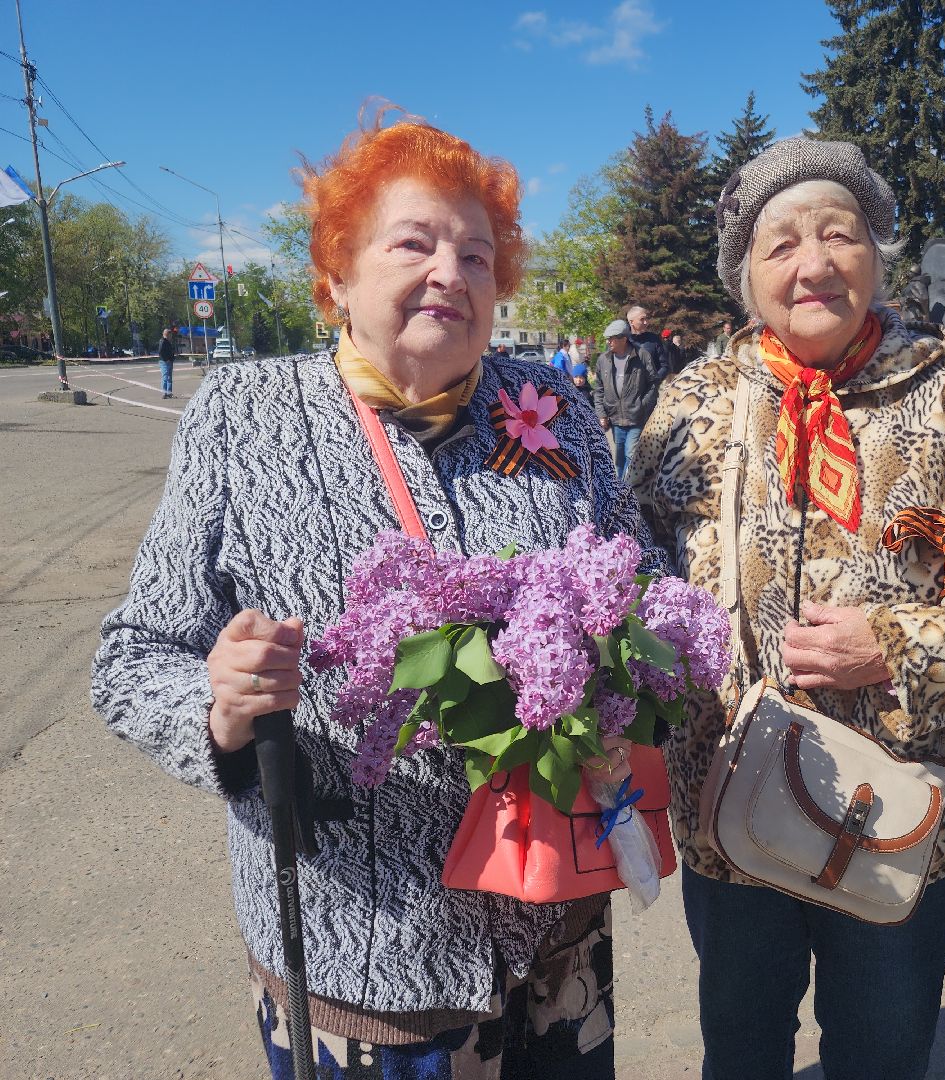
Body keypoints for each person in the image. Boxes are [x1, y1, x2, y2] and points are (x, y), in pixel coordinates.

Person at [92, 111, 663, 1080]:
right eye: (414, 244)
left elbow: (637, 576)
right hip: (366, 954)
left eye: (477, 256)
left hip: (557, 930)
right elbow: (132, 655)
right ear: (338, 274)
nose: (452, 273)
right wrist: (219, 707)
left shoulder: (554, 409)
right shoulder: (241, 417)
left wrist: (615, 662)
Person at [627, 136, 945, 1080]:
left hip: (898, 814)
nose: (814, 263)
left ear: (877, 253)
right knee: (741, 1053)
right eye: (782, 243)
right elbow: (633, 585)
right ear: (744, 275)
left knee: (880, 1055)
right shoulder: (689, 406)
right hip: (728, 812)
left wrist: (895, 647)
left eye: (839, 234)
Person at [591, 317, 664, 481]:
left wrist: (642, 405)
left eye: (612, 339)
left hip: (636, 416)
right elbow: (599, 389)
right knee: (619, 456)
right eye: (608, 339)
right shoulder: (603, 360)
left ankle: (626, 486)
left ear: (623, 339)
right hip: (615, 417)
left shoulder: (642, 355)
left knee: (631, 452)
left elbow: (653, 383)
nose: (608, 342)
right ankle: (621, 485)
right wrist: (601, 414)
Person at [626, 304, 666, 376]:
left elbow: (664, 366)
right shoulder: (622, 341)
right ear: (631, 322)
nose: (646, 322)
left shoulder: (654, 339)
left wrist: (655, 380)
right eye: (642, 319)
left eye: (646, 319)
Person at [158, 327, 177, 399]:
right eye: (170, 335)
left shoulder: (168, 342)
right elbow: (160, 352)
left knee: (169, 378)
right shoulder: (163, 341)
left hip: (169, 361)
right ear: (167, 334)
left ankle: (169, 393)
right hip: (165, 362)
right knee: (165, 377)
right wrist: (166, 360)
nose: (171, 336)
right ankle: (164, 393)